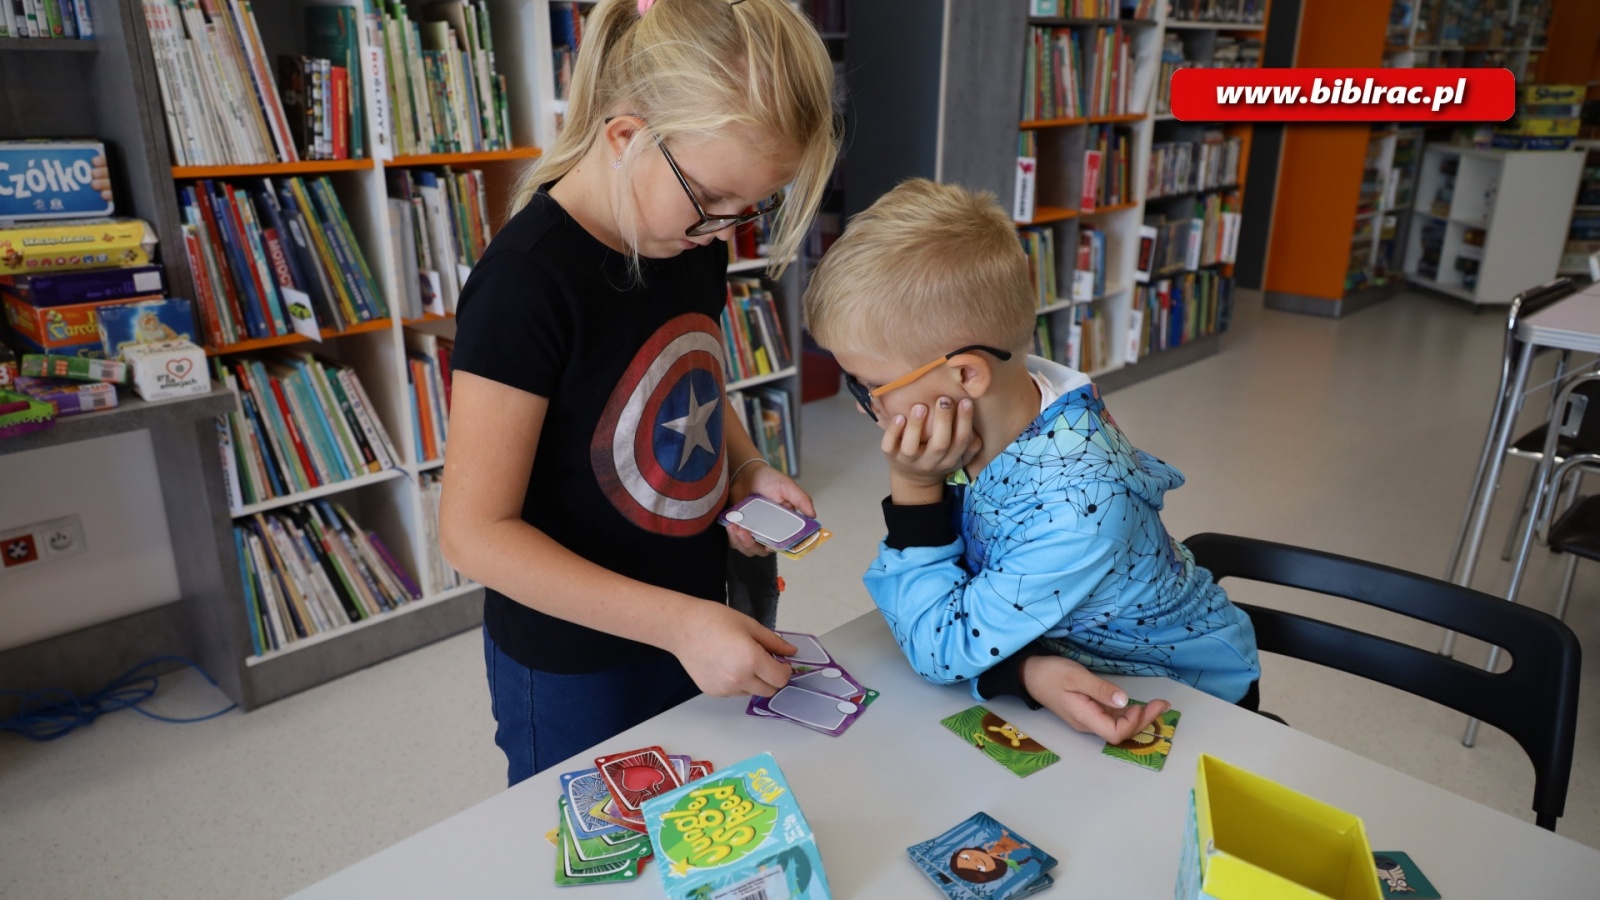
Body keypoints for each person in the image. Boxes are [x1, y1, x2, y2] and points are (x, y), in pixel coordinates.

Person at [439, 0, 839, 785]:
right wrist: (678, 624)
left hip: (696, 611)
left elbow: (691, 375)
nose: (725, 229)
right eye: (712, 200)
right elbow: (472, 534)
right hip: (576, 660)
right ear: (625, 137)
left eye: (748, 208)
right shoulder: (526, 283)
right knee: (597, 832)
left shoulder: (684, 239)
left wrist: (747, 467)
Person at [802, 178, 1260, 744]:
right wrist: (1024, 671)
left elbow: (940, 648)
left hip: (1185, 699)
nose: (863, 405)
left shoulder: (1078, 503)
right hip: (1063, 657)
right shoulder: (1007, 403)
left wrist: (915, 489)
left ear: (966, 375)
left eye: (869, 385)